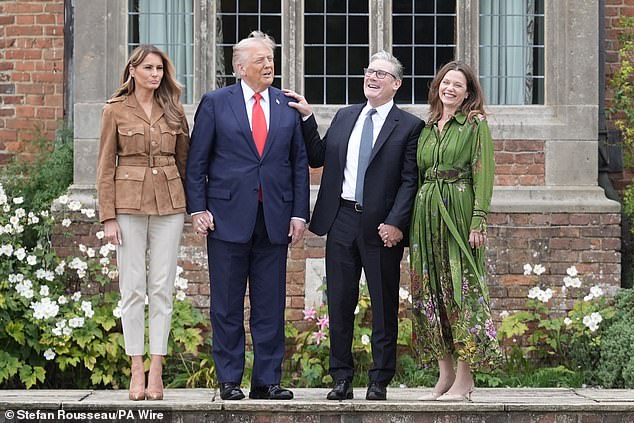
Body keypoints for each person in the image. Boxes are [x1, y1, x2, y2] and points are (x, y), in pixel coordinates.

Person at [285, 51, 424, 401]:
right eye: (369, 71)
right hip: (342, 219)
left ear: (397, 84)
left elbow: (410, 181)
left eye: (381, 74)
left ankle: (379, 380)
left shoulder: (409, 126)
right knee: (341, 303)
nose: (372, 78)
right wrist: (307, 116)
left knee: (383, 303)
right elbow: (318, 157)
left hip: (381, 227)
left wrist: (396, 224)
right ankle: (341, 379)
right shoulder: (347, 116)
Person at [185, 31, 309, 401]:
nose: (268, 65)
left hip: (274, 218)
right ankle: (229, 380)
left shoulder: (285, 104)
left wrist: (299, 213)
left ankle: (267, 381)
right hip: (225, 217)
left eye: (270, 60)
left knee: (270, 304)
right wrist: (197, 208)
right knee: (226, 303)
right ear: (240, 67)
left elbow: (298, 163)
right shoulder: (215, 103)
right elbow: (197, 163)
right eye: (260, 61)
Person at [96, 44, 190, 401]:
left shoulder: (174, 110)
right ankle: (136, 366)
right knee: (133, 288)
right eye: (148, 68)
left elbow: (185, 164)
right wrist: (108, 216)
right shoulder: (115, 110)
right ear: (133, 70)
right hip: (128, 205)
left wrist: (191, 207)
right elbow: (105, 165)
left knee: (162, 288)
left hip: (169, 205)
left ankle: (157, 369)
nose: (155, 74)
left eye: (159, 69)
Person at [410, 61, 501, 402]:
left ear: (468, 93)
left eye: (457, 85)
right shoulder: (430, 124)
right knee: (430, 292)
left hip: (459, 212)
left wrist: (479, 220)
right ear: (438, 87)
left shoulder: (474, 124)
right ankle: (445, 375)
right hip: (426, 214)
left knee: (461, 291)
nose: (450, 88)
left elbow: (483, 172)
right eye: (445, 82)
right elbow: (420, 174)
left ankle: (465, 378)